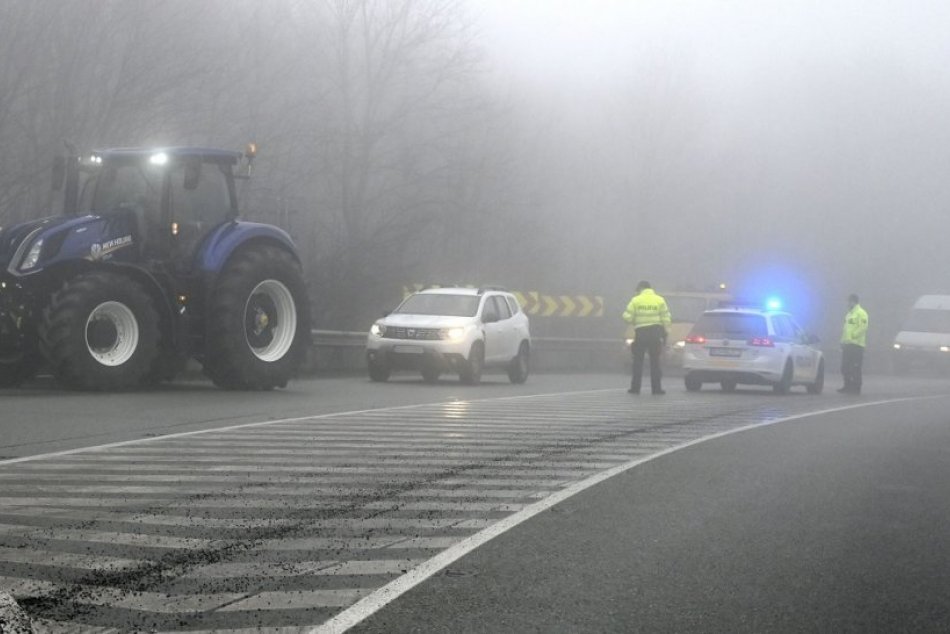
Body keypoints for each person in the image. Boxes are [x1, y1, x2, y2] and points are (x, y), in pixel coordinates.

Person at [622, 281, 672, 395]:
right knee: (655, 362)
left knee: (638, 362)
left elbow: (627, 317)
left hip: (641, 334)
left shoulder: (636, 300)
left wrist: (634, 320)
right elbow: (666, 318)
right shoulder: (659, 300)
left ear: (641, 288)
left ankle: (635, 388)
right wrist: (666, 332)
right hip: (655, 334)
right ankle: (656, 389)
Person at [839, 293, 869, 394]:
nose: (847, 303)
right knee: (845, 367)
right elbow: (845, 329)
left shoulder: (862, 313)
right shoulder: (849, 314)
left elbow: (863, 327)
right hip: (847, 345)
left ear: (853, 302)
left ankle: (856, 387)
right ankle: (847, 386)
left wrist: (853, 336)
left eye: (849, 301)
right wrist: (842, 341)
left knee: (855, 367)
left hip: (857, 345)